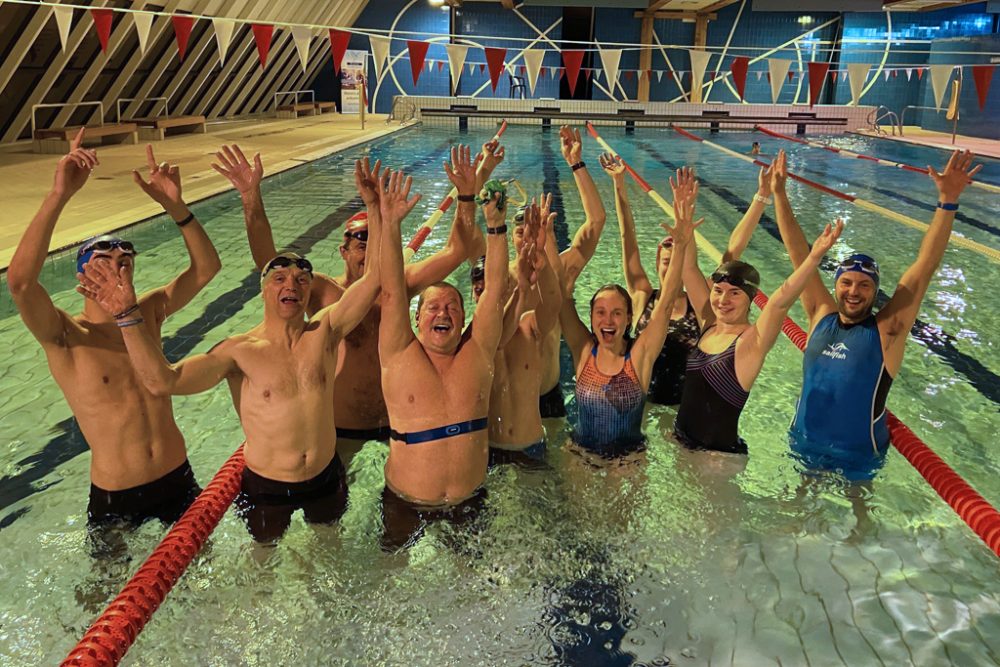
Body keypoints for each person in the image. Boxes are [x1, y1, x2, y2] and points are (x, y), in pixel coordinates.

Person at [77, 158, 392, 543]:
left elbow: (376, 276)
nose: (290, 284)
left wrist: (377, 210)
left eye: (300, 279)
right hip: (266, 488)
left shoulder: (325, 331)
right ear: (264, 290)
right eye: (279, 278)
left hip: (325, 479)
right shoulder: (238, 352)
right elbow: (164, 381)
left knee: (329, 560)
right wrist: (128, 316)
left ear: (310, 291)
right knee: (260, 576)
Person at [7, 130, 220, 531]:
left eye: (125, 258)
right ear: (81, 270)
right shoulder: (66, 335)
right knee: (105, 593)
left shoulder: (149, 314)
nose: (119, 265)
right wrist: (59, 195)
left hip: (178, 476)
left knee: (202, 575)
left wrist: (177, 208)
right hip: (116, 493)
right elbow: (20, 283)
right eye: (104, 257)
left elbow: (207, 269)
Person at [212, 144, 479, 451]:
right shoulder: (326, 293)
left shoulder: (401, 284)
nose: (369, 247)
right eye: (361, 240)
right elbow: (268, 262)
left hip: (399, 427)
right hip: (341, 433)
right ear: (343, 251)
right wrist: (250, 198)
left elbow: (457, 250)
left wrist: (466, 196)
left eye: (374, 236)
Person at [771, 149, 982, 480]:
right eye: (847, 283)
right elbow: (800, 254)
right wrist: (779, 194)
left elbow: (923, 268)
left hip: (859, 456)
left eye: (864, 286)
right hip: (803, 443)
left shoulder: (888, 329)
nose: (854, 291)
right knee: (796, 519)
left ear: (875, 291)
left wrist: (948, 201)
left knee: (860, 528)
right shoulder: (819, 313)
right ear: (836, 284)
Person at [377, 164, 509, 550]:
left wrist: (496, 227)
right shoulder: (399, 352)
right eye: (433, 308)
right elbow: (390, 291)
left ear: (465, 316)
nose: (444, 313)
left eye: (452, 307)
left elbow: (497, 288)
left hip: (470, 502)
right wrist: (390, 224)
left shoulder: (478, 350)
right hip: (405, 502)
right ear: (416, 318)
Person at [672, 166, 843, 455]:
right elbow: (689, 268)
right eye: (718, 291)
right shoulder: (709, 324)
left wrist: (813, 257)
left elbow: (779, 301)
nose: (723, 300)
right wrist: (684, 219)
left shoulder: (751, 342)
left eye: (735, 293)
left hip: (717, 460)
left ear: (750, 299)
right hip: (682, 443)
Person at [598, 152, 774, 405]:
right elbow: (628, 238)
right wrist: (619, 184)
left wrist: (761, 198)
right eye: (669, 263)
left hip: (682, 409)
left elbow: (733, 251)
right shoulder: (642, 297)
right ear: (657, 264)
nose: (673, 272)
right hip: (640, 402)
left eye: (678, 265)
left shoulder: (703, 304)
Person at [558, 173, 698, 458]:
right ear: (591, 316)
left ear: (628, 318)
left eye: (616, 313)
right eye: (601, 312)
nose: (608, 321)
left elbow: (668, 295)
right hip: (580, 455)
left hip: (629, 461)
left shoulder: (640, 355)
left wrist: (682, 243)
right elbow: (559, 296)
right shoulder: (583, 348)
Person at [473, 200, 561, 466]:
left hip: (530, 446)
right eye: (478, 290)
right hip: (489, 450)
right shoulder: (470, 339)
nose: (484, 295)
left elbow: (554, 303)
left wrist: (541, 262)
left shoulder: (529, 328)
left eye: (489, 289)